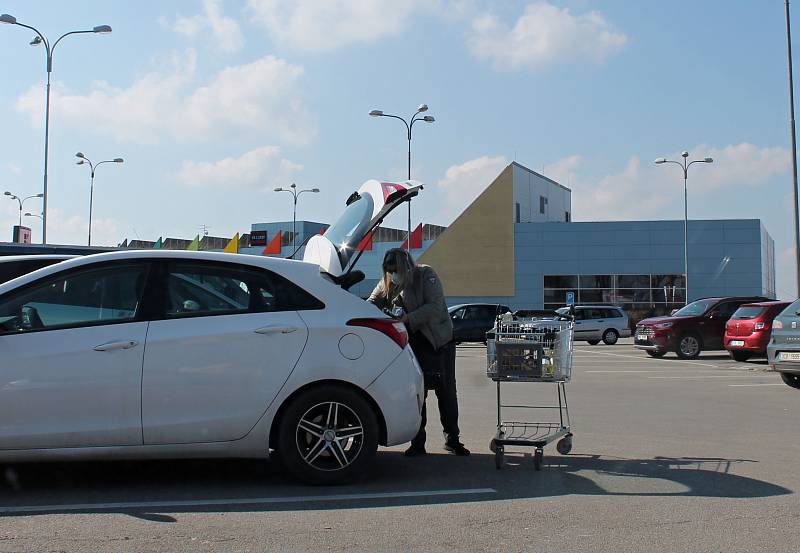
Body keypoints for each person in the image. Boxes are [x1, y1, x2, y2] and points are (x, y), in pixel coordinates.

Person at [368, 248, 470, 457]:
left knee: (446, 392)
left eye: (395, 269)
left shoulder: (425, 275)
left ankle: (453, 439)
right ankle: (418, 442)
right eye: (389, 271)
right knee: (417, 394)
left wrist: (408, 318)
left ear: (405, 265)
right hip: (413, 346)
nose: (392, 274)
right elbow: (372, 302)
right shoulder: (388, 282)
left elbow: (435, 306)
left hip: (438, 341)